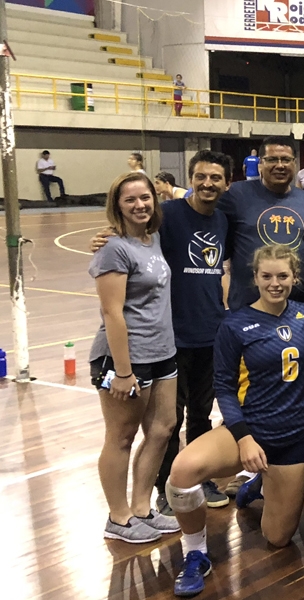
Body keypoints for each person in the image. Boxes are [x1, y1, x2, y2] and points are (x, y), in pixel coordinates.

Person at [165, 245, 304, 596]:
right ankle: (195, 553)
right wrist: (244, 437)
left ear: (295, 277)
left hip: (293, 436)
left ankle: (258, 485)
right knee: (183, 471)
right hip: (249, 428)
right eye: (267, 276)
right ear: (255, 278)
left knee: (278, 539)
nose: (275, 283)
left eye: (282, 276)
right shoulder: (236, 323)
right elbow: (223, 386)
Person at [90, 152, 236, 518]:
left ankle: (195, 477)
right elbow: (127, 239)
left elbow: (220, 264)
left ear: (226, 183)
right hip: (170, 337)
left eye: (216, 178)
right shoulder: (166, 217)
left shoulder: (222, 220)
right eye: (201, 176)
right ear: (190, 177)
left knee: (198, 415)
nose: (208, 183)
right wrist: (106, 237)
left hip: (209, 332)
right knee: (164, 424)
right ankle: (165, 488)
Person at [89, 172, 180, 544]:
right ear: (118, 206)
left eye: (145, 198)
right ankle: (119, 517)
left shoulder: (152, 239)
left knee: (162, 428)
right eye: (131, 200)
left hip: (163, 352)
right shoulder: (114, 249)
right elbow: (112, 313)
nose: (140, 205)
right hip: (125, 360)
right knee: (122, 436)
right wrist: (123, 373)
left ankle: (142, 508)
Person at [219, 136, 304, 310]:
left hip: (300, 310)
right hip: (248, 309)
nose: (280, 165)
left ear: (294, 164)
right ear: (260, 164)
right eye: (272, 159)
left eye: (286, 160)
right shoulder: (235, 195)